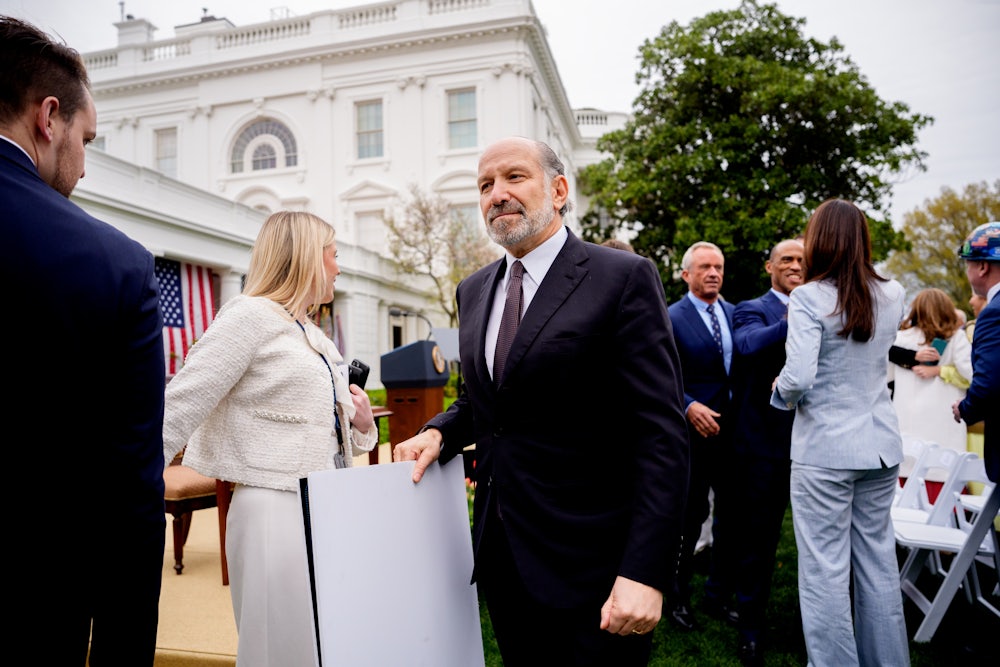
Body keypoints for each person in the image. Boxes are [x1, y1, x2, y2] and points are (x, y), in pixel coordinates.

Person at [392, 136, 690, 666]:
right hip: (502, 554)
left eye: (513, 177)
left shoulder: (622, 278)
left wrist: (645, 571)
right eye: (485, 185)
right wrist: (440, 430)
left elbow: (661, 435)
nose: (497, 194)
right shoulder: (474, 290)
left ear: (558, 190)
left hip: (595, 564)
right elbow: (491, 400)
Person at [1, 16, 166, 665]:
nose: (85, 166)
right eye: (86, 139)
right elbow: (131, 493)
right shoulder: (115, 263)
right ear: (49, 117)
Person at [162, 211, 378, 666]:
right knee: (274, 651)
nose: (339, 267)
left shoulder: (312, 334)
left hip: (320, 507)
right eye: (333, 254)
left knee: (314, 646)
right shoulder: (248, 317)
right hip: (270, 511)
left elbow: (342, 438)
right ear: (305, 258)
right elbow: (180, 402)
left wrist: (359, 421)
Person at [771, 198, 909, 666]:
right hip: (881, 447)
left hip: (826, 450)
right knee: (878, 565)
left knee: (824, 573)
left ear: (820, 240)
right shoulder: (894, 293)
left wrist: (780, 391)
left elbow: (800, 376)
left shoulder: (808, 297)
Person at [728, 238, 804, 666]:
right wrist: (796, 318)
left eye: (802, 261)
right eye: (787, 260)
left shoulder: (823, 306)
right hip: (763, 445)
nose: (795, 266)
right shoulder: (752, 308)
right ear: (769, 266)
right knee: (759, 540)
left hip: (814, 443)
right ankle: (751, 629)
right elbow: (749, 346)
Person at [666, 241, 739, 632]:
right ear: (686, 274)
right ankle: (676, 598)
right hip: (691, 435)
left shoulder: (733, 313)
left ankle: (717, 595)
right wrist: (688, 404)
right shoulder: (671, 317)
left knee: (730, 518)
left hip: (732, 435)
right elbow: (661, 376)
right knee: (689, 519)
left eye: (719, 267)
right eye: (705, 267)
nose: (713, 273)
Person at [887, 287, 972, 499]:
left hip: (905, 418)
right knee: (942, 473)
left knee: (905, 477)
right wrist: (945, 371)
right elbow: (972, 373)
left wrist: (936, 369)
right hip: (944, 423)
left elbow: (886, 379)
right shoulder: (957, 339)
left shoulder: (899, 339)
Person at [953, 221, 1000, 484]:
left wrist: (966, 408)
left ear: (982, 266)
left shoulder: (994, 312)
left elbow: (991, 382)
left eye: (968, 263)